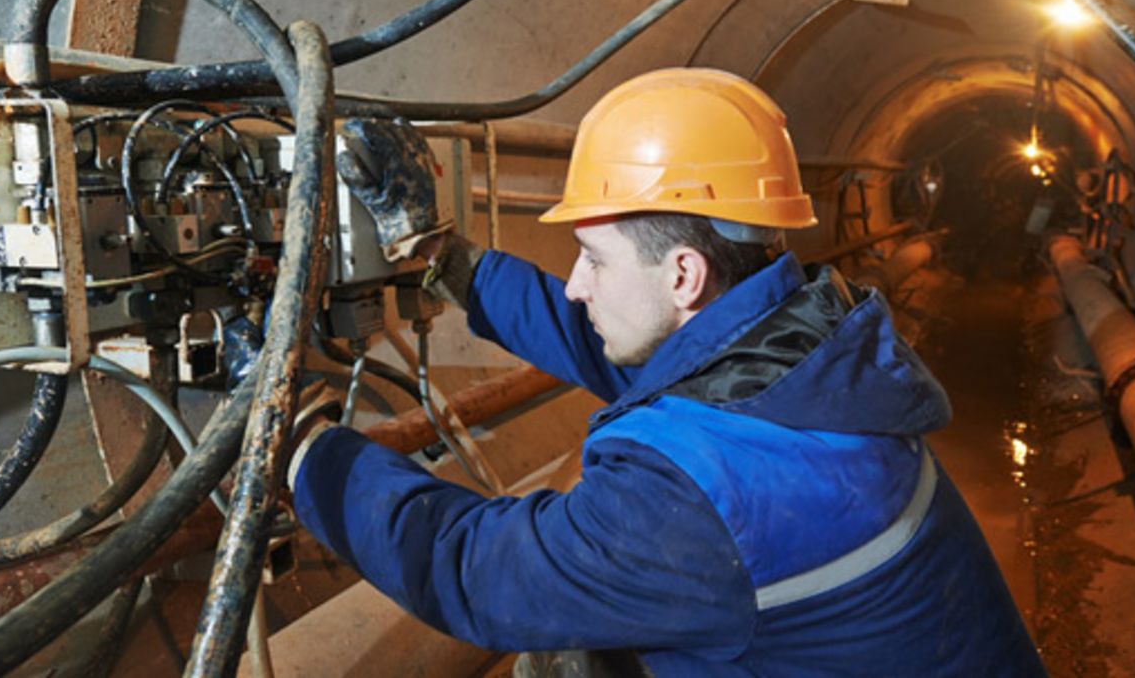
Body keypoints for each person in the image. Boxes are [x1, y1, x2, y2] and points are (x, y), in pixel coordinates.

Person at [287, 68, 1045, 677]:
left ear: (683, 274)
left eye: (592, 258)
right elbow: (593, 340)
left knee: (562, 654)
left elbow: (473, 571)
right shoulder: (802, 359)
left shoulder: (698, 498)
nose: (577, 284)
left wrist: (300, 449)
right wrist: (440, 256)